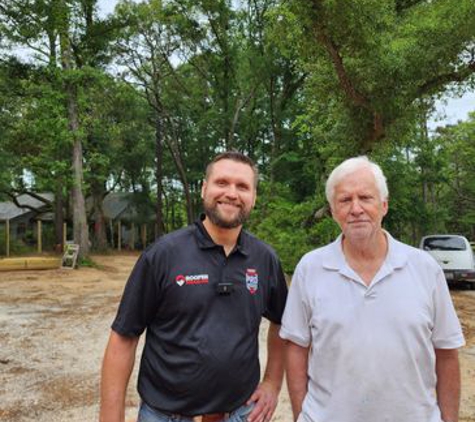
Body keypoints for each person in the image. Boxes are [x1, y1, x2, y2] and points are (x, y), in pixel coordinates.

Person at [100, 151, 288, 422]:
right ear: (204, 189)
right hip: (166, 415)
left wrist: (272, 382)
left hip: (239, 412)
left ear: (254, 197)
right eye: (221, 183)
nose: (232, 193)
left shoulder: (265, 259)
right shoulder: (163, 254)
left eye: (243, 186)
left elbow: (283, 322)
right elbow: (124, 337)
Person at [280, 156, 465, 422]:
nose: (356, 208)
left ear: (384, 205)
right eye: (345, 200)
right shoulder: (310, 268)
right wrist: (302, 416)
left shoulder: (424, 268)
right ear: (333, 211)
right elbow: (296, 348)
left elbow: (446, 353)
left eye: (365, 197)